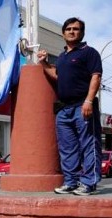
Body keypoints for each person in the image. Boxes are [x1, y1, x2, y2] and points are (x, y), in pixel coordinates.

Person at [38, 17, 102, 196]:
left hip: (83, 106)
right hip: (64, 110)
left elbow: (96, 76)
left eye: (76, 29)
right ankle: (71, 182)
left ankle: (89, 183)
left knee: (89, 146)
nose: (72, 31)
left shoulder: (89, 52)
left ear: (82, 33)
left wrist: (89, 100)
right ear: (63, 32)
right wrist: (43, 62)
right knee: (67, 148)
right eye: (69, 29)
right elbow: (56, 75)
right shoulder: (63, 56)